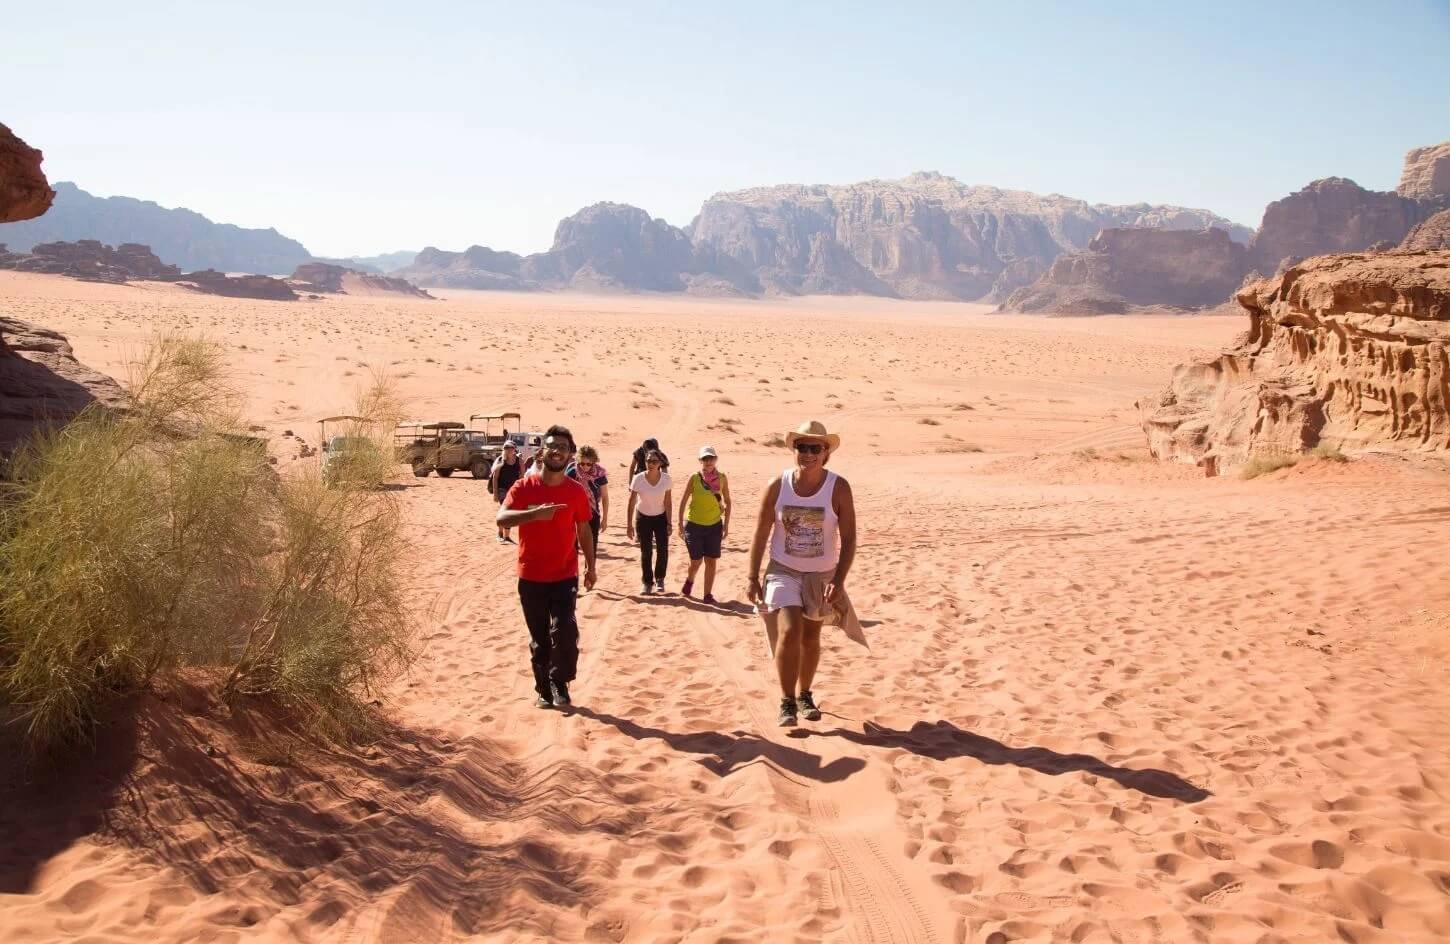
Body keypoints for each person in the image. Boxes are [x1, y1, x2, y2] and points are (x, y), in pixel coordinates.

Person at [746, 421, 856, 727]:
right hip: (783, 570)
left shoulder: (839, 488)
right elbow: (760, 533)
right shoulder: (777, 485)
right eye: (802, 447)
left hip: (820, 575)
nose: (808, 454)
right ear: (794, 450)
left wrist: (839, 580)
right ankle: (787, 701)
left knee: (810, 637)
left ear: (825, 453)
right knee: (790, 630)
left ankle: (805, 694)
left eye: (815, 448)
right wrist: (752, 576)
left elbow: (849, 539)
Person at [497, 425, 596, 709]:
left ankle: (559, 681)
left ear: (571, 454)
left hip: (565, 575)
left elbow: (584, 530)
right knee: (540, 639)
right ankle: (543, 689)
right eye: (552, 446)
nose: (557, 451)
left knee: (565, 632)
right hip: (531, 576)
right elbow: (502, 519)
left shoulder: (576, 492)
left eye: (563, 447)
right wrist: (534, 514)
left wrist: (591, 566)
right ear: (542, 451)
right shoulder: (523, 487)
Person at [677, 444, 731, 602]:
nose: (708, 461)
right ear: (700, 460)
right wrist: (680, 524)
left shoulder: (722, 478)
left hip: (714, 525)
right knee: (696, 562)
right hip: (694, 525)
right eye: (705, 459)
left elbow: (728, 501)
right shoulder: (694, 478)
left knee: (711, 561)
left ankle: (707, 595)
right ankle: (690, 580)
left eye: (711, 458)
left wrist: (726, 525)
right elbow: (683, 500)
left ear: (716, 459)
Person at [626, 449, 672, 595]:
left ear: (660, 463)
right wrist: (629, 525)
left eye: (654, 461)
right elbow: (631, 502)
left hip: (661, 518)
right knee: (646, 552)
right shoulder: (638, 478)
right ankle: (647, 583)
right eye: (648, 461)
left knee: (662, 550)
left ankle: (660, 579)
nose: (651, 464)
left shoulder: (666, 479)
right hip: (643, 518)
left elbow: (668, 502)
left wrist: (669, 522)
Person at [567, 444, 609, 548]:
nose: (585, 466)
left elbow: (605, 497)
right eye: (582, 463)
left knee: (591, 546)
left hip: (593, 513)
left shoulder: (600, 474)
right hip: (574, 514)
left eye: (588, 464)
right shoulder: (572, 472)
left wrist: (605, 519)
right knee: (573, 547)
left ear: (594, 462)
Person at [490, 440, 524, 543]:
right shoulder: (500, 460)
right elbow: (495, 478)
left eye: (511, 448)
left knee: (510, 511)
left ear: (515, 449)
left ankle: (507, 536)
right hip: (502, 489)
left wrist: (521, 491)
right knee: (506, 510)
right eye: (506, 448)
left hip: (513, 490)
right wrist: (495, 494)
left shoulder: (519, 461)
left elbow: (522, 477)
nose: (508, 450)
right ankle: (500, 533)